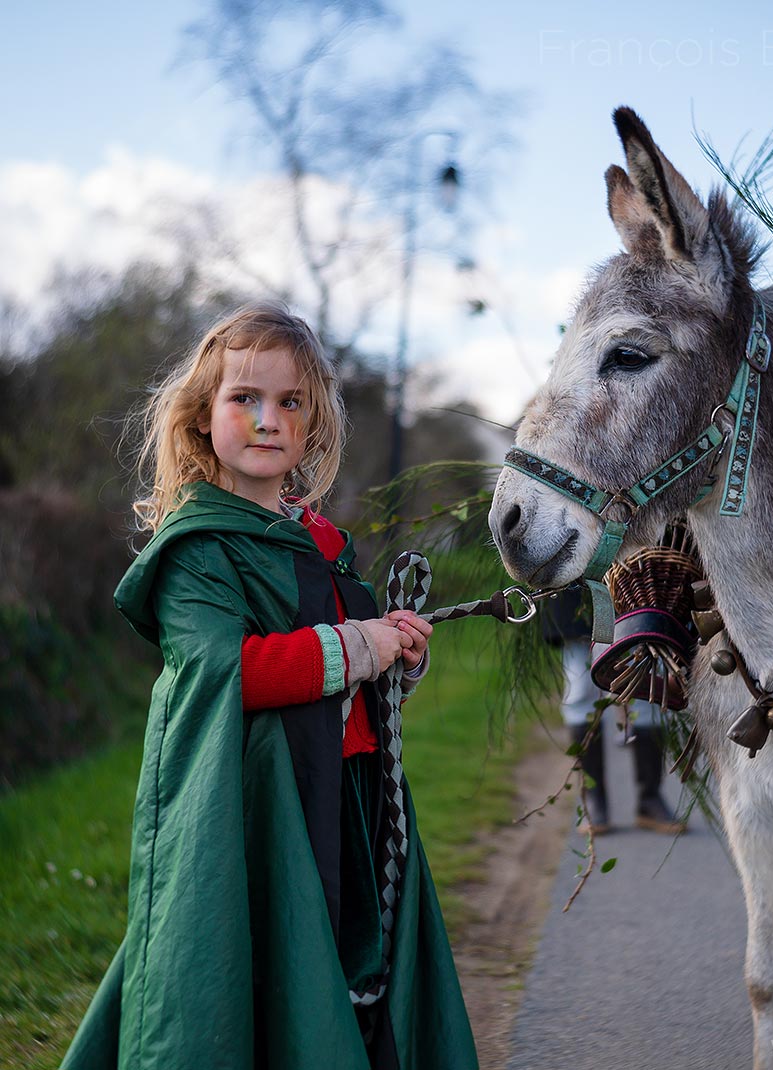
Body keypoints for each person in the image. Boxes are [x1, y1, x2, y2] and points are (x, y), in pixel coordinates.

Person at [60, 302, 478, 1070]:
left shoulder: (319, 539)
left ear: (313, 425)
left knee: (352, 968)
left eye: (290, 403)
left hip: (347, 792)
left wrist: (394, 660)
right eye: (243, 399)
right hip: (256, 802)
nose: (266, 420)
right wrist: (358, 645)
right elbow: (228, 669)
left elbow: (346, 672)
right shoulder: (196, 549)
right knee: (253, 970)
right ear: (200, 416)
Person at [543, 587, 685, 836]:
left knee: (649, 687)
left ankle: (650, 799)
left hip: (637, 582)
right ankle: (594, 800)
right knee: (580, 691)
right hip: (577, 589)